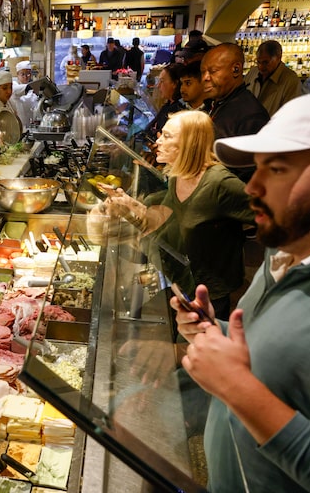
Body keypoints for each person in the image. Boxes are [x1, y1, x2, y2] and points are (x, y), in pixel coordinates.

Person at [174, 92, 310, 493]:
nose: (252, 187)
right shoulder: (288, 248)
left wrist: (236, 387)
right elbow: (280, 357)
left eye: (276, 169)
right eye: (255, 167)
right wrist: (215, 333)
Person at [92, 111, 254, 320]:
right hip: (184, 281)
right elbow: (165, 219)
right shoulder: (178, 176)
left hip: (210, 292)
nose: (157, 141)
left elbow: (272, 216)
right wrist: (127, 203)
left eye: (167, 136)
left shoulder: (220, 183)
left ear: (189, 144)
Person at [201, 43, 269, 181]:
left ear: (236, 69)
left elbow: (247, 177)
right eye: (203, 72)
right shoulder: (218, 103)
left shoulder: (251, 116)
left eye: (212, 71)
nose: (205, 78)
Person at [244, 39, 303, 117]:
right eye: (258, 62)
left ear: (278, 58)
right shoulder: (253, 72)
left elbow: (290, 114)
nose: (261, 67)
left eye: (266, 62)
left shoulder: (291, 80)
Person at [144, 63, 185, 146]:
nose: (158, 86)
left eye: (162, 81)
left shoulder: (178, 111)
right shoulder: (168, 105)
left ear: (174, 84)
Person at [9, 60, 40, 128]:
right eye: (22, 74)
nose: (25, 77)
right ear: (17, 74)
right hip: (19, 124)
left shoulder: (32, 89)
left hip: (32, 125)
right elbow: (16, 90)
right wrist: (32, 87)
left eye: (28, 74)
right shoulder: (14, 85)